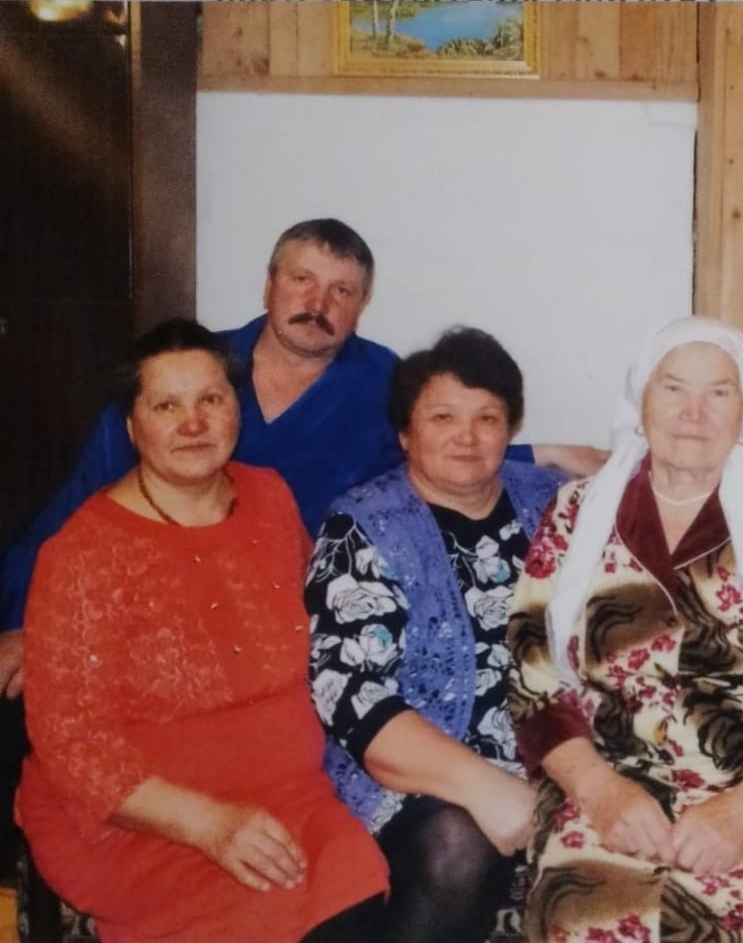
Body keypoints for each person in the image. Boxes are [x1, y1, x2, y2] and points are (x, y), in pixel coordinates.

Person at [0, 217, 605, 693]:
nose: (319, 302)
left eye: (342, 290)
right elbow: (73, 509)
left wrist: (547, 452)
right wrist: (23, 619)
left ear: (362, 304)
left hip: (293, 628)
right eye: (302, 280)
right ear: (269, 284)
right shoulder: (192, 374)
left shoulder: (384, 383)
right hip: (151, 617)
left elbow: (442, 448)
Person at [507, 317, 743, 942]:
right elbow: (534, 678)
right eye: (673, 388)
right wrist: (602, 793)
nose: (694, 412)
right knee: (588, 922)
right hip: (612, 787)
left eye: (718, 391)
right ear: (641, 401)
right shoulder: (577, 514)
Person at [17, 320, 389, 942]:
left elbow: (327, 628)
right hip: (146, 821)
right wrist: (209, 824)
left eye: (210, 399)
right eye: (167, 406)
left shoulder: (270, 499)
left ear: (235, 409)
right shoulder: (82, 555)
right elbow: (73, 746)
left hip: (292, 797)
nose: (193, 423)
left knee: (359, 902)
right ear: (131, 427)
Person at [306, 327, 562, 942]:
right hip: (412, 773)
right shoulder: (362, 525)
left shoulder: (554, 502)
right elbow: (351, 694)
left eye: (487, 418)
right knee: (457, 842)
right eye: (443, 417)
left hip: (557, 758)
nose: (467, 437)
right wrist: (486, 786)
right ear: (405, 433)